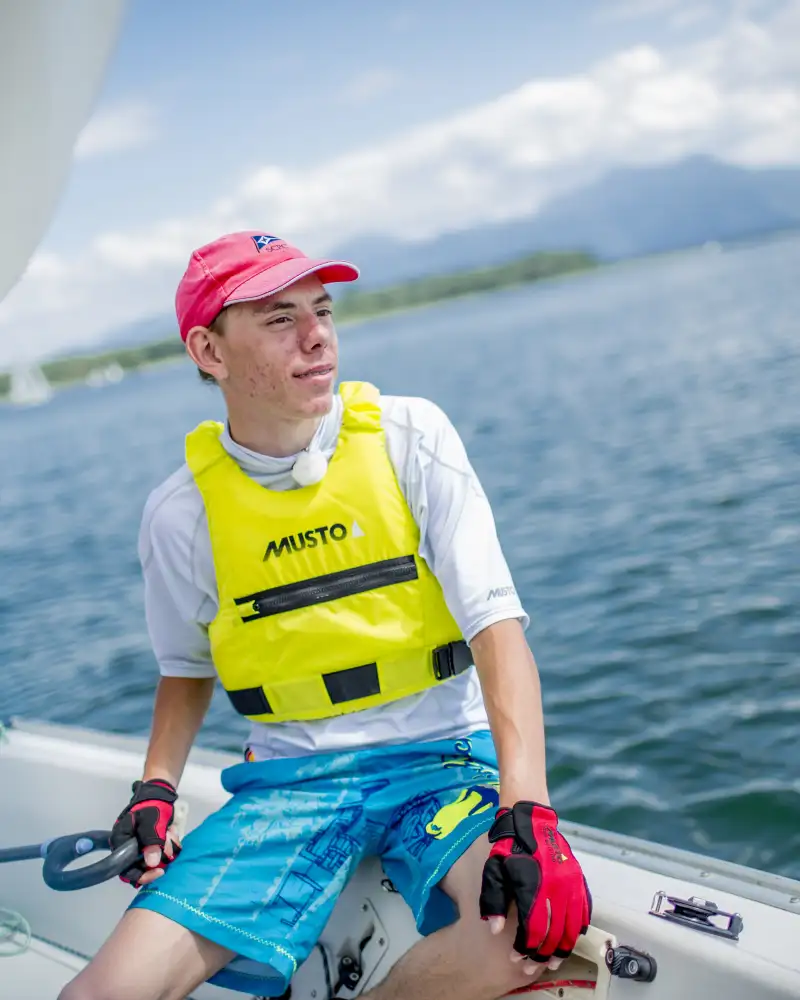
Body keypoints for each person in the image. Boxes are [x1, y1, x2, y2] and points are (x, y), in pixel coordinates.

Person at [60, 231, 592, 1000]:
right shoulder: (179, 515)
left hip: (441, 765)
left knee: (539, 932)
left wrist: (527, 809)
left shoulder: (413, 436)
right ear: (209, 352)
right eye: (279, 320)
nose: (316, 337)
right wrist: (155, 789)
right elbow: (185, 669)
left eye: (322, 310)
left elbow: (496, 628)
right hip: (289, 785)